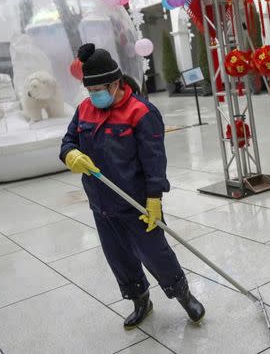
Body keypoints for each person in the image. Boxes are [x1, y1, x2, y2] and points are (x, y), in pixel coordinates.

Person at [60, 43, 204, 329]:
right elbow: (68, 142)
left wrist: (155, 199)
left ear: (115, 83)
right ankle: (141, 300)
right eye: (90, 91)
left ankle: (183, 295)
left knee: (156, 254)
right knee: (119, 257)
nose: (94, 96)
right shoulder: (85, 109)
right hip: (102, 203)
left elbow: (154, 160)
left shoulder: (141, 112)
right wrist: (70, 155)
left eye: (99, 89)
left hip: (137, 203)